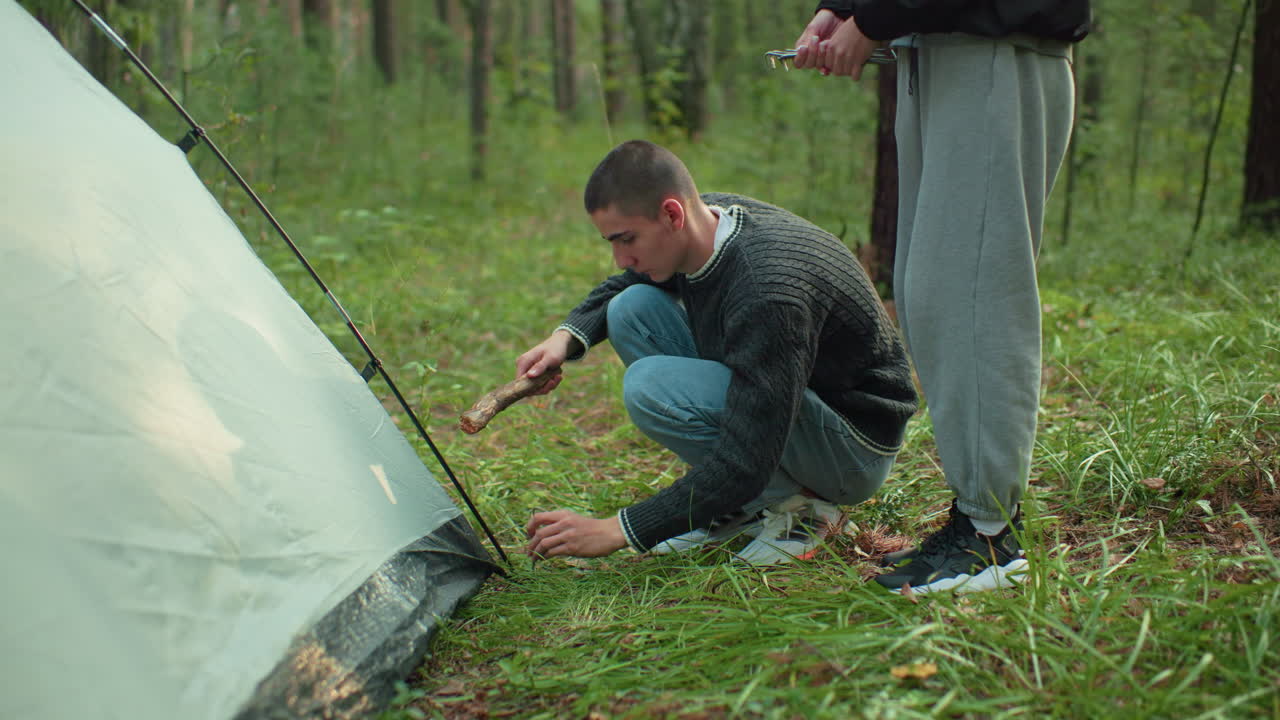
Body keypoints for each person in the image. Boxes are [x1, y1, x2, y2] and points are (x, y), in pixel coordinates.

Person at [789, 1, 1091, 593]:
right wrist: (845, 9)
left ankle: (991, 541)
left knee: (973, 297)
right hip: (939, 45)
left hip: (997, 46)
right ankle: (975, 521)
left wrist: (872, 19)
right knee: (933, 293)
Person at [521, 140, 917, 566]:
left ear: (672, 213)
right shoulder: (707, 219)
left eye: (627, 239)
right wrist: (564, 339)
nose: (620, 259)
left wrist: (616, 529)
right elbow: (624, 283)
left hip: (853, 448)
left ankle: (804, 511)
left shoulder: (767, 290)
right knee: (630, 309)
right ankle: (743, 507)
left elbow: (746, 459)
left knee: (650, 386)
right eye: (612, 243)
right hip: (794, 403)